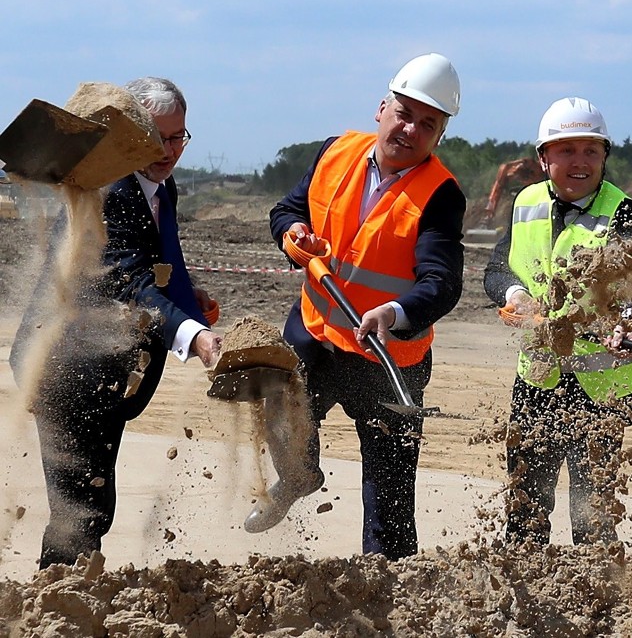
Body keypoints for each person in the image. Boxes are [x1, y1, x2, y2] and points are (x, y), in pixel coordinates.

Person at [253, 53, 466, 561]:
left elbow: (443, 283)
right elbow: (287, 209)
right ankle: (299, 475)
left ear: (439, 135)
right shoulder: (335, 153)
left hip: (386, 356)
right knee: (281, 415)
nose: (410, 129)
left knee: (390, 497)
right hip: (317, 329)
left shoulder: (440, 194)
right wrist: (293, 234)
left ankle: (389, 584)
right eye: (404, 113)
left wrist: (394, 313)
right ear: (381, 108)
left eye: (427, 124)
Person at [11, 77, 222, 568]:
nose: (168, 151)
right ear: (127, 134)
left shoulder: (158, 186)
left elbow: (154, 264)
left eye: (178, 138)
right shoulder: (109, 189)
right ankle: (55, 608)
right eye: (156, 137)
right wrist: (194, 335)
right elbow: (127, 281)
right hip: (65, 368)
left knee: (92, 506)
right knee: (80, 511)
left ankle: (66, 597)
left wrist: (188, 301)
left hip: (108, 373)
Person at [483, 97, 632, 546]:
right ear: (543, 158)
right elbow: (500, 267)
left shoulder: (625, 213)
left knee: (594, 517)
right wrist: (515, 296)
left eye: (591, 151)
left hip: (600, 389)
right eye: (567, 151)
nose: (581, 162)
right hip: (537, 381)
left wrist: (629, 320)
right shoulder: (526, 203)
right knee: (524, 509)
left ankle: (594, 604)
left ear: (604, 157)